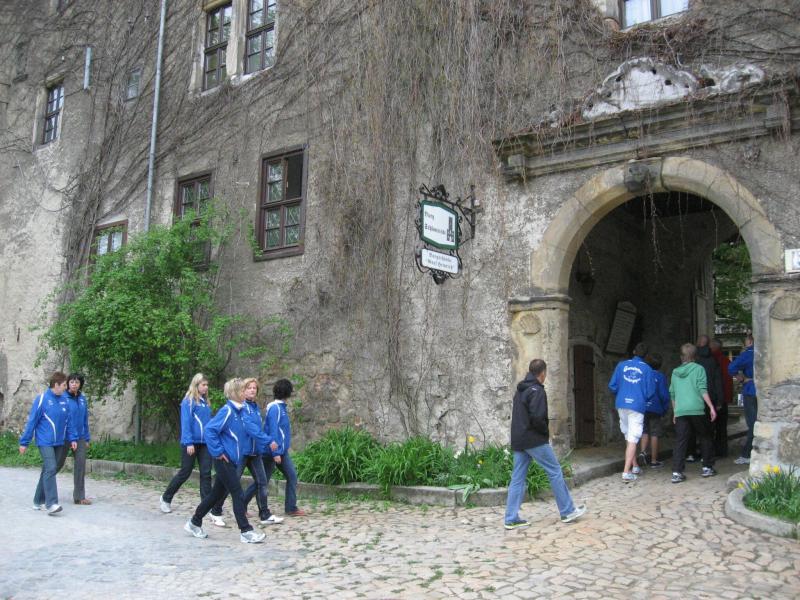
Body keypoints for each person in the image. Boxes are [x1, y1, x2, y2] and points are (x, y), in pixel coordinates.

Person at [184, 378, 277, 543]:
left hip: (232, 460)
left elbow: (251, 429)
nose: (246, 392)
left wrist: (267, 440)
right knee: (238, 493)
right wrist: (218, 451)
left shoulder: (241, 412)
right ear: (235, 393)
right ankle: (246, 531)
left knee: (215, 495)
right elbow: (210, 430)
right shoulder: (227, 411)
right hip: (223, 460)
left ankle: (194, 522)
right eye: (242, 390)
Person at [504, 359, 586, 529]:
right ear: (542, 373)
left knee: (517, 478)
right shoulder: (537, 391)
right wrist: (544, 433)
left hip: (519, 439)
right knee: (555, 470)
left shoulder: (520, 390)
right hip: (534, 439)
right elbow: (537, 417)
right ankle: (567, 511)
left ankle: (511, 518)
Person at [160, 373, 221, 524]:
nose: (206, 387)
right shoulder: (188, 401)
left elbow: (209, 423)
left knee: (206, 473)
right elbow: (186, 422)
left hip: (205, 443)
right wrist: (188, 442)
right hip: (191, 443)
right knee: (185, 472)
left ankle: (206, 504)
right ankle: (166, 498)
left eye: (207, 385)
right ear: (196, 385)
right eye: (203, 385)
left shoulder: (205, 403)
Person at [222, 378, 283, 526]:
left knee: (262, 482)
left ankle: (264, 514)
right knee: (232, 481)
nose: (252, 390)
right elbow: (251, 429)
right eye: (249, 388)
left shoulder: (255, 408)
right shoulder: (242, 407)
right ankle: (216, 509)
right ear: (243, 390)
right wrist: (268, 440)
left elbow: (258, 428)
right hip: (243, 451)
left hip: (255, 452)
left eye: (254, 388)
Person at [18, 372, 78, 515]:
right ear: (56, 385)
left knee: (48, 470)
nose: (66, 387)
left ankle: (38, 501)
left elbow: (69, 421)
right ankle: (51, 504)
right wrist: (24, 442)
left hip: (59, 441)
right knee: (51, 468)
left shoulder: (64, 400)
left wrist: (73, 438)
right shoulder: (42, 399)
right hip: (45, 441)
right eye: (64, 385)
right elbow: (32, 421)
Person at [670, 343, 718, 483]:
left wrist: (675, 412)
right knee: (705, 436)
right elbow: (702, 389)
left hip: (681, 410)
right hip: (696, 409)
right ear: (695, 356)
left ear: (681, 357)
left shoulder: (675, 372)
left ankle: (677, 472)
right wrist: (711, 407)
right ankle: (707, 467)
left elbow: (672, 394)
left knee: (681, 440)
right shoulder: (699, 369)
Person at [608, 342, 654, 482]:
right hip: (637, 405)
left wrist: (622, 392)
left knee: (629, 436)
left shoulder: (621, 365)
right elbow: (650, 391)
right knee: (633, 438)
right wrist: (642, 397)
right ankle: (626, 472)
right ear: (646, 355)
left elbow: (612, 386)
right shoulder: (647, 369)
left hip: (622, 403)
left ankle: (635, 466)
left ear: (634, 351)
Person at [262, 378, 307, 517]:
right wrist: (275, 452)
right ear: (288, 392)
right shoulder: (275, 408)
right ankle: (243, 504)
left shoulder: (280, 408)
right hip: (272, 452)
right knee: (262, 480)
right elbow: (273, 431)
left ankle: (291, 508)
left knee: (292, 476)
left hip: (281, 451)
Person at [685, 335, 724, 463]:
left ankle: (690, 453)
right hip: (710, 397)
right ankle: (706, 455)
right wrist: (719, 399)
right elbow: (718, 381)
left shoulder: (693, 361)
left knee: (691, 426)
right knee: (708, 428)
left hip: (694, 397)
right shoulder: (713, 360)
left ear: (697, 343)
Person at [54, 373, 92, 505]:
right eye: (72, 382)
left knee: (80, 465)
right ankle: (44, 490)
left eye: (77, 382)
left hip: (80, 436)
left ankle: (79, 497)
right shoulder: (62, 398)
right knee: (57, 464)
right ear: (68, 383)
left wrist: (87, 438)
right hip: (65, 437)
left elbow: (85, 419)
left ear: (80, 384)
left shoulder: (82, 399)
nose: (74, 384)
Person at [729, 334, 757, 465]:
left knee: (752, 423)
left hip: (750, 390)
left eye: (745, 341)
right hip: (765, 391)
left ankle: (747, 453)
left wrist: (739, 376)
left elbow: (731, 367)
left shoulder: (748, 353)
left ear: (750, 341)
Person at [639, 353, 670, 468]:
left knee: (644, 431)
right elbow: (663, 395)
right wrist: (665, 408)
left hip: (644, 407)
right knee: (655, 433)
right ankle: (653, 460)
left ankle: (642, 452)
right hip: (656, 408)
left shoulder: (644, 374)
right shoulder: (660, 377)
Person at [710, 338, 733, 457]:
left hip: (714, 397)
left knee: (712, 426)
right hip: (723, 398)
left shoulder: (712, 360)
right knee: (722, 427)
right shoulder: (726, 361)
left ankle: (713, 451)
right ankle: (722, 450)